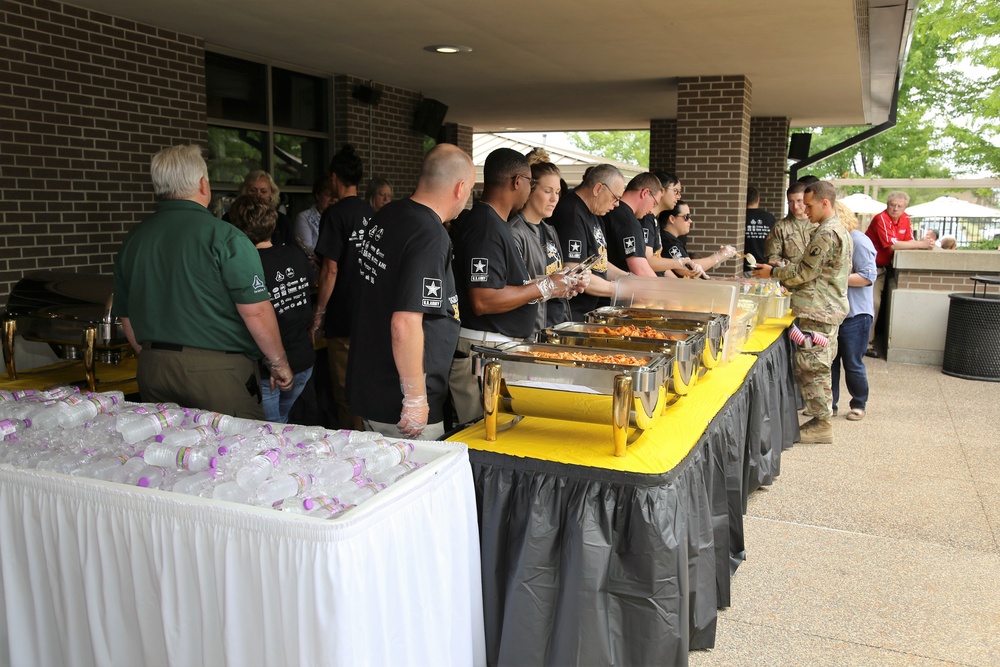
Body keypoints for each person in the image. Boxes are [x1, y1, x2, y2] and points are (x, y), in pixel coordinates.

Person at [112, 144, 293, 419]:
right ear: (202, 184)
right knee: (230, 454)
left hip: (153, 367)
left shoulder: (134, 239)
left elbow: (126, 316)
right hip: (218, 372)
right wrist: (279, 363)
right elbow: (255, 310)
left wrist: (157, 357)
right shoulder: (226, 237)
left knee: (170, 454)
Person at [347, 144, 475, 439]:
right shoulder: (430, 234)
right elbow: (404, 323)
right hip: (400, 402)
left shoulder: (389, 214)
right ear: (460, 188)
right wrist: (415, 400)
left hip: (372, 385)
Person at [449, 147, 580, 424]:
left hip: (496, 348)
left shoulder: (495, 222)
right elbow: (483, 300)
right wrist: (543, 289)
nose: (531, 189)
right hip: (482, 350)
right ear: (516, 182)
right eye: (532, 183)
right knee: (487, 438)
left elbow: (506, 284)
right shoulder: (486, 227)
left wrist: (551, 285)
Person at [753, 181, 851, 444]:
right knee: (817, 363)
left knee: (813, 365)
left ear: (825, 203)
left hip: (819, 309)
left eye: (809, 205)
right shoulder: (836, 229)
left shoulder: (826, 233)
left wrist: (771, 272)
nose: (805, 210)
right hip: (824, 307)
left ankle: (822, 424)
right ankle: (821, 419)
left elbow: (804, 271)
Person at [227, 195, 317, 423]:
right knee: (281, 422)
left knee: (271, 432)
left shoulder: (247, 265)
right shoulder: (294, 254)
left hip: (270, 369)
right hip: (304, 360)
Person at [312, 145, 374, 431]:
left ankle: (353, 451)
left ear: (334, 177)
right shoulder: (373, 214)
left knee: (346, 393)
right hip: (373, 315)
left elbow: (330, 268)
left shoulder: (335, 215)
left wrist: (319, 313)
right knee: (367, 387)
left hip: (344, 316)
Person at [549, 164, 630, 319]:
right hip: (571, 313)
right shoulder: (571, 213)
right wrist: (619, 289)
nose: (617, 204)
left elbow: (600, 262)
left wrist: (630, 279)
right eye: (615, 198)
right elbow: (574, 269)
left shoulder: (594, 212)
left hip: (586, 311)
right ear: (598, 189)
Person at [508, 149, 571, 332]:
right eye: (547, 191)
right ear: (530, 190)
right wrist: (553, 284)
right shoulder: (515, 232)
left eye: (558, 192)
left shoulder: (549, 230)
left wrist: (569, 281)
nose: (554, 199)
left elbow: (554, 277)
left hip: (556, 326)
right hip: (530, 331)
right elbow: (517, 287)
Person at [864, 191, 934, 357]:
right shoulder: (880, 218)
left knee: (877, 305)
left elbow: (909, 242)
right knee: (873, 304)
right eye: (891, 205)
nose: (895, 209)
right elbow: (892, 245)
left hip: (885, 269)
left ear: (905, 207)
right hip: (869, 268)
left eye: (899, 206)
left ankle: (868, 340)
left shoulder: (906, 219)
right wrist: (921, 244)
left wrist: (920, 244)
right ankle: (866, 343)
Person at [830, 204, 876, 422]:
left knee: (852, 363)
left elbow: (868, 277)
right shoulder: (836, 241)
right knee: (831, 362)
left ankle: (859, 403)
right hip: (834, 314)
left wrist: (832, 277)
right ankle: (831, 404)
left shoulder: (858, 241)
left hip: (856, 315)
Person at [603, 173, 666, 277]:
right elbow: (640, 269)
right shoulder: (630, 223)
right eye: (654, 204)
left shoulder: (608, 211)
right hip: (617, 288)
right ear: (645, 193)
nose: (651, 210)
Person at [659, 201, 738, 276]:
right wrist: (720, 256)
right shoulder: (668, 241)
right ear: (672, 219)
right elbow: (687, 268)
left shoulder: (669, 238)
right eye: (686, 217)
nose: (690, 221)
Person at [226, 170, 294, 246]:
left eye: (263, 191)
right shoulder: (231, 218)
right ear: (244, 192)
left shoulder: (282, 221)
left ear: (271, 194)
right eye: (253, 190)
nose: (258, 195)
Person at [765, 182, 812, 266]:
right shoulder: (780, 227)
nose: (795, 206)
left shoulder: (818, 224)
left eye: (799, 201)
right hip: (789, 277)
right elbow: (772, 257)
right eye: (791, 201)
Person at [293, 177, 335, 256]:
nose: (333, 199)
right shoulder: (304, 217)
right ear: (318, 196)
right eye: (329, 195)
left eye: (335, 195)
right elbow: (306, 248)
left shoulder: (338, 218)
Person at [745, 185, 776, 273]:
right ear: (758, 199)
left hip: (743, 267)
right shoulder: (769, 218)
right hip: (764, 267)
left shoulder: (741, 217)